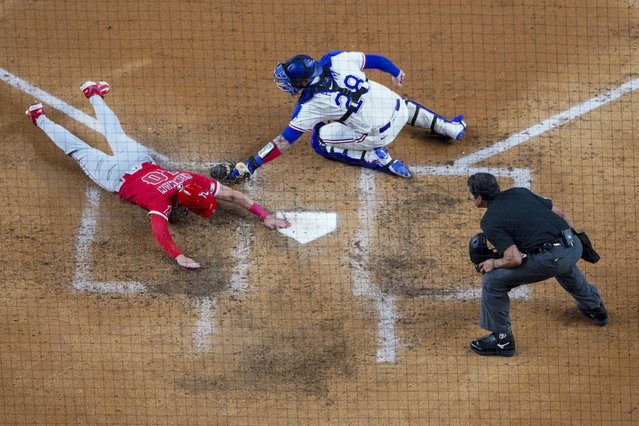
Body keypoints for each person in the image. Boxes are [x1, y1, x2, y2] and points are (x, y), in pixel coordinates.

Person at [25, 81, 290, 269]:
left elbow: (231, 195)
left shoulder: (188, 178)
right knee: (79, 149)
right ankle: (38, 117)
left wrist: (265, 215)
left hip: (137, 161)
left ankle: (92, 93)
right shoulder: (160, 203)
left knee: (114, 133)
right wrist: (178, 256)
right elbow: (160, 233)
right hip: (114, 177)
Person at [213, 51, 466, 180]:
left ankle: (380, 160)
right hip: (397, 106)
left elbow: (283, 142)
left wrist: (250, 165)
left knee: (319, 140)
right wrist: (395, 70)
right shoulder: (335, 59)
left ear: (301, 81)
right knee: (399, 104)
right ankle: (449, 128)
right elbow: (374, 59)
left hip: (381, 134)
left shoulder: (309, 105)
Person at [466, 172, 608, 356]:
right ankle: (595, 308)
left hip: (553, 259)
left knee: (493, 281)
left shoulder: (490, 220)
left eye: (470, 194)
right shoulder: (520, 192)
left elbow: (514, 258)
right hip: (574, 246)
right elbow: (561, 213)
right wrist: (569, 241)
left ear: (479, 198)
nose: (468, 197)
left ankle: (502, 341)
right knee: (563, 264)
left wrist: (494, 262)